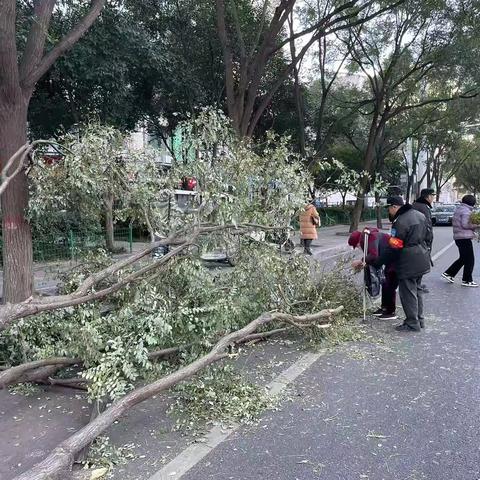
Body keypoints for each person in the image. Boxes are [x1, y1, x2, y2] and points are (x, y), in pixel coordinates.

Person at [368, 196, 431, 332]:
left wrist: (379, 262)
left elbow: (394, 246)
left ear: (394, 207)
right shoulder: (420, 215)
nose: (389, 212)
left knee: (408, 292)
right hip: (422, 256)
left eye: (389, 209)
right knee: (417, 290)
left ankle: (411, 323)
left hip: (408, 261)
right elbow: (429, 236)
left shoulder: (400, 222)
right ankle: (420, 320)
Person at [349, 229, 398, 320]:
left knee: (389, 283)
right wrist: (365, 262)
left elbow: (373, 255)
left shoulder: (369, 237)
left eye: (357, 245)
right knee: (385, 283)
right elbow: (375, 258)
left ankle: (390, 311)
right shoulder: (367, 237)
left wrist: (361, 261)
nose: (358, 247)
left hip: (395, 257)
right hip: (389, 257)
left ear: (358, 242)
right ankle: (384, 307)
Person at [442, 195, 479, 287]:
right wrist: (477, 225)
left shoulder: (460, 209)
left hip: (460, 237)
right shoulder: (466, 211)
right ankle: (467, 280)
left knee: (463, 258)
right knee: (470, 260)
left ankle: (449, 274)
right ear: (472, 203)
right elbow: (465, 225)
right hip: (464, 238)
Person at [412, 188, 435, 293]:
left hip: (419, 240)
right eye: (432, 196)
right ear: (428, 197)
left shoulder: (417, 205)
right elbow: (427, 226)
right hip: (422, 241)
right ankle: (417, 285)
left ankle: (417, 284)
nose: (433, 198)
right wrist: (428, 240)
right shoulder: (423, 207)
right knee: (420, 263)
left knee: (419, 263)